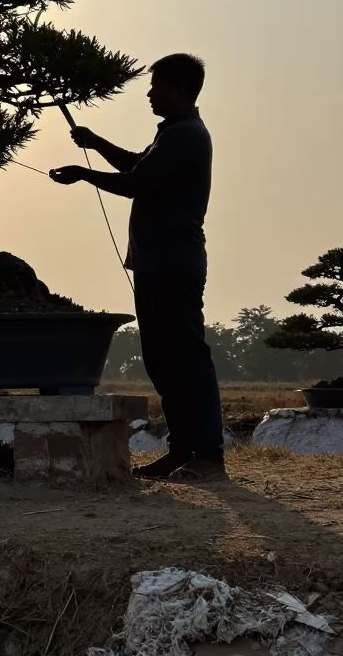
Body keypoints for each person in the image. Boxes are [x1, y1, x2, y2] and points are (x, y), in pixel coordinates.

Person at [49, 53, 225, 482]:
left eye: (157, 85)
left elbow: (136, 183)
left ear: (179, 88)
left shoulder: (186, 136)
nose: (149, 93)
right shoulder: (173, 135)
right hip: (155, 264)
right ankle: (182, 451)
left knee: (186, 359)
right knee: (164, 362)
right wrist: (95, 143)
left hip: (172, 265)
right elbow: (137, 165)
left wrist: (83, 173)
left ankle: (208, 457)